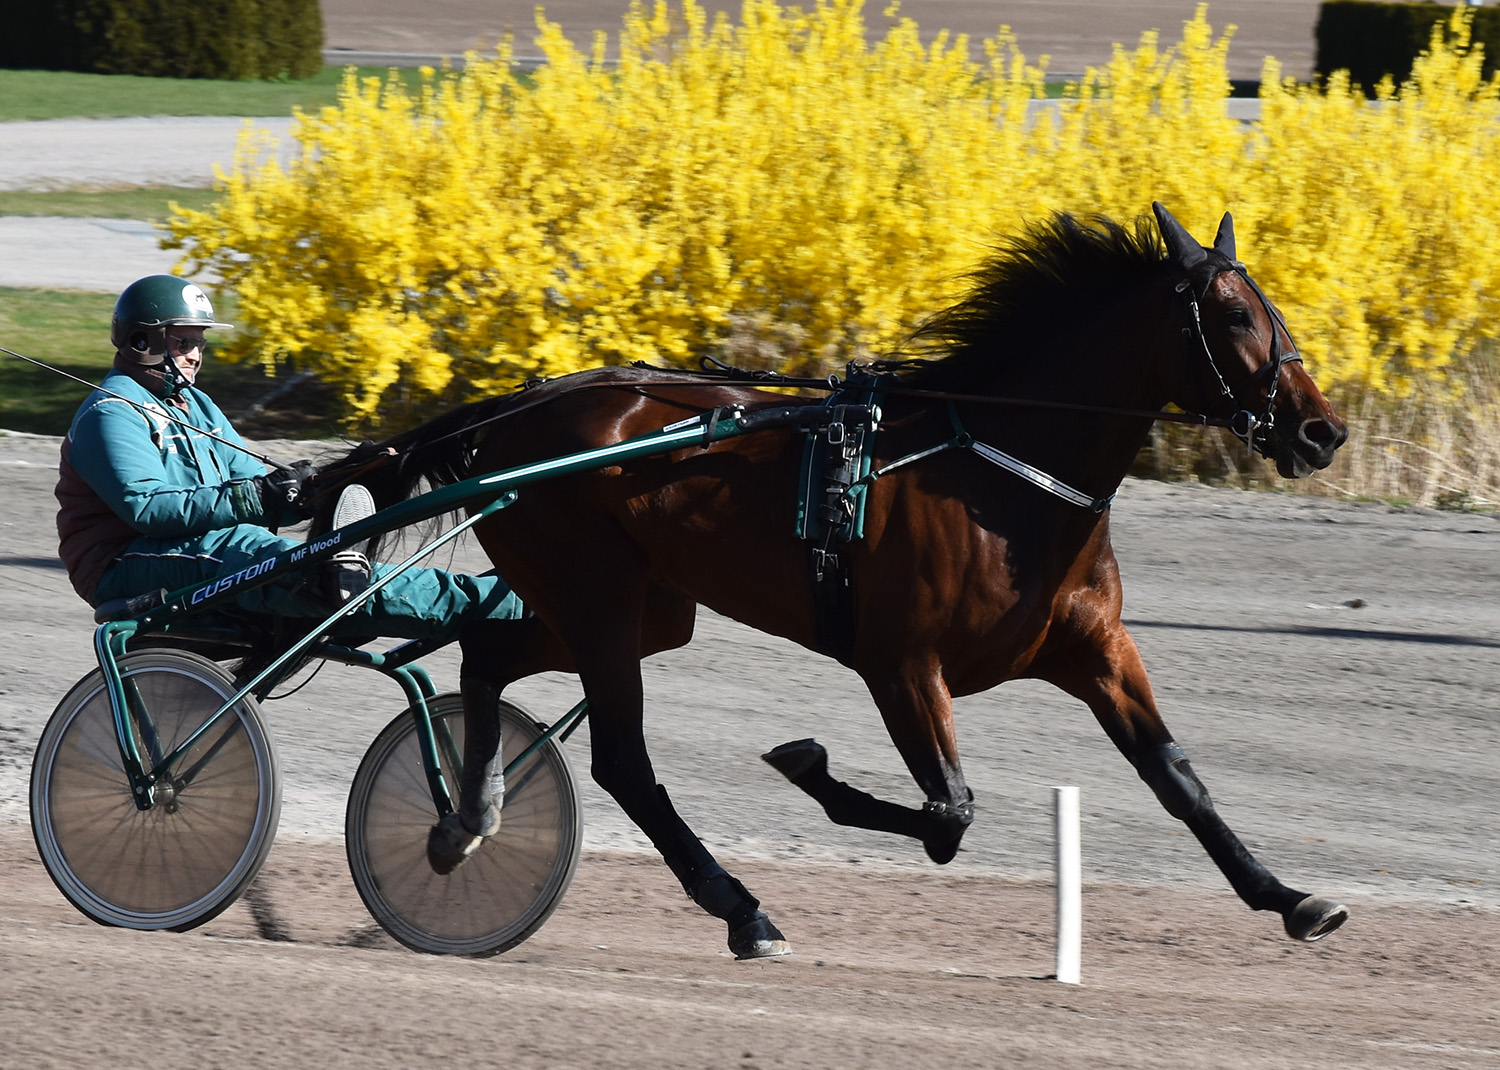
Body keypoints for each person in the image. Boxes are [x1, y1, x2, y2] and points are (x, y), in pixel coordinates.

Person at [55, 274, 516, 864]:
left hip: (207, 546)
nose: (196, 352)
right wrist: (257, 499)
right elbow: (147, 508)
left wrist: (309, 487)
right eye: (183, 340)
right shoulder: (109, 414)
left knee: (285, 555)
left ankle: (412, 587)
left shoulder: (194, 405)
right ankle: (461, 597)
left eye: (198, 339)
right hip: (131, 564)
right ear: (145, 341)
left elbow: (242, 476)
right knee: (279, 561)